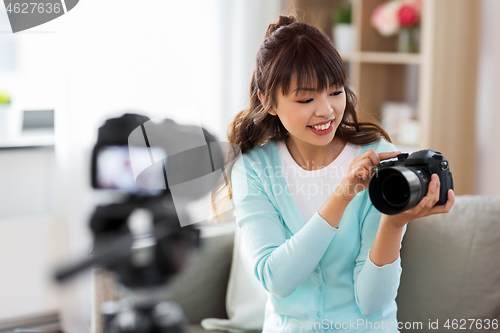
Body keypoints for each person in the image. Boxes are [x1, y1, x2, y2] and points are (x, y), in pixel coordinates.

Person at [211, 15, 455, 333]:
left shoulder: (377, 156)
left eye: (336, 91)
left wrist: (394, 223)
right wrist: (342, 195)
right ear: (267, 100)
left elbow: (372, 302)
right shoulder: (254, 169)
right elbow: (278, 280)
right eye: (306, 98)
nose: (326, 110)